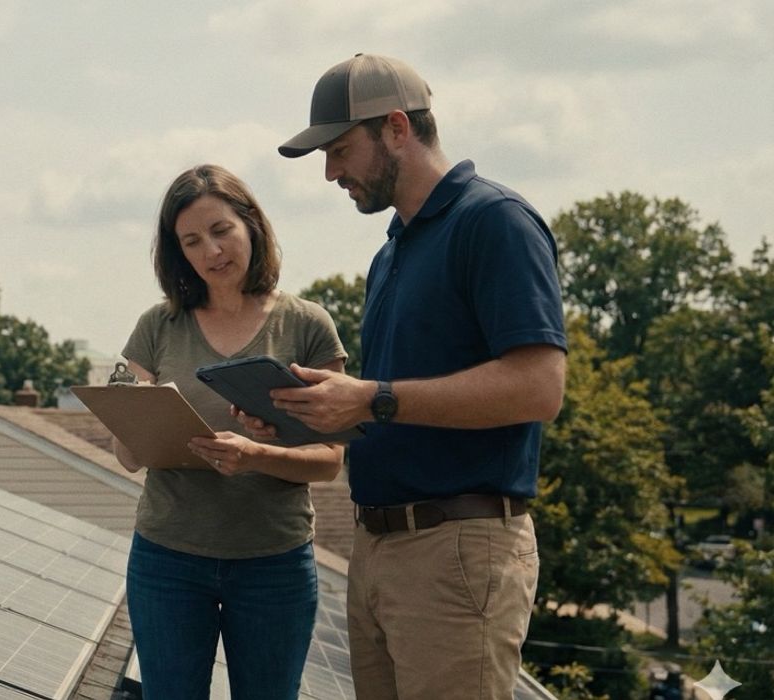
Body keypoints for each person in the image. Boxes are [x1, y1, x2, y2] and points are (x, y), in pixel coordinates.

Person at [252, 54, 568, 698]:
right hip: (379, 550)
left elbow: (540, 388)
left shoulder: (495, 221)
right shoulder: (392, 249)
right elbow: (394, 405)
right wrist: (307, 414)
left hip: (456, 549)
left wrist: (373, 397)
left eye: (340, 149)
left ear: (397, 127)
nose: (330, 172)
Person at [114, 164, 349, 699]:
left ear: (252, 225)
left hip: (274, 562)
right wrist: (133, 414)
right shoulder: (158, 326)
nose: (211, 252)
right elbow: (127, 456)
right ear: (177, 253)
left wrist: (257, 455)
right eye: (191, 241)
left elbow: (331, 460)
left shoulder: (308, 325)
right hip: (167, 558)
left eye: (221, 230)